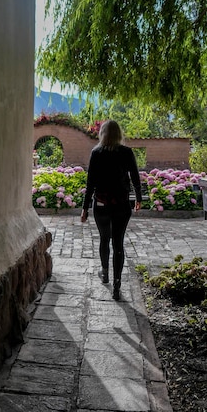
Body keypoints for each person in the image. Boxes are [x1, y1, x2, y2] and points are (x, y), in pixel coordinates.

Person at [81, 120, 142, 300]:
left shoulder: (96, 153)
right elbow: (135, 177)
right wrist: (138, 198)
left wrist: (84, 208)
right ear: (119, 134)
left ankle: (105, 273)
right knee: (118, 243)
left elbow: (90, 183)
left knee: (104, 239)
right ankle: (117, 284)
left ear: (102, 134)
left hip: (100, 204)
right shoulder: (126, 152)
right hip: (122, 205)